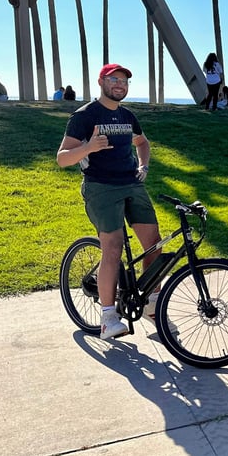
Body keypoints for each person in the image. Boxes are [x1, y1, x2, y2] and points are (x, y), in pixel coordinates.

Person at [55, 63, 163, 340]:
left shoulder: (127, 116)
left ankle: (151, 305)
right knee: (112, 248)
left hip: (131, 183)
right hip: (100, 187)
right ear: (101, 81)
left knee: (154, 244)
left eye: (124, 81)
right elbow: (63, 158)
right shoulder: (84, 116)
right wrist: (88, 147)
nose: (120, 85)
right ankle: (108, 317)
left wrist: (144, 167)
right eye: (114, 79)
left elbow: (143, 143)